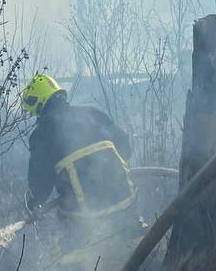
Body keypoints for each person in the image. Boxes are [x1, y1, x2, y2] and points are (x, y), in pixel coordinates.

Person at [20, 73, 136, 227]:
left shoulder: (42, 135)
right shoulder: (92, 113)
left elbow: (40, 180)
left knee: (62, 241)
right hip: (126, 201)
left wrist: (34, 202)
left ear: (38, 102)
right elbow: (124, 144)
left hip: (84, 217)